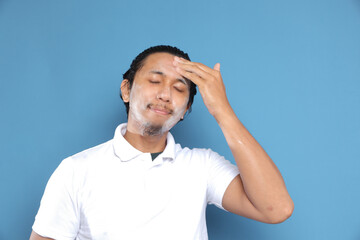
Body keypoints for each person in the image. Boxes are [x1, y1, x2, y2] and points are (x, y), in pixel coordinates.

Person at [30, 45, 294, 240]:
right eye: (155, 80)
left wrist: (222, 111)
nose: (165, 94)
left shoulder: (202, 166)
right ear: (126, 90)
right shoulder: (76, 170)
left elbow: (277, 208)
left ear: (187, 109)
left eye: (179, 89)